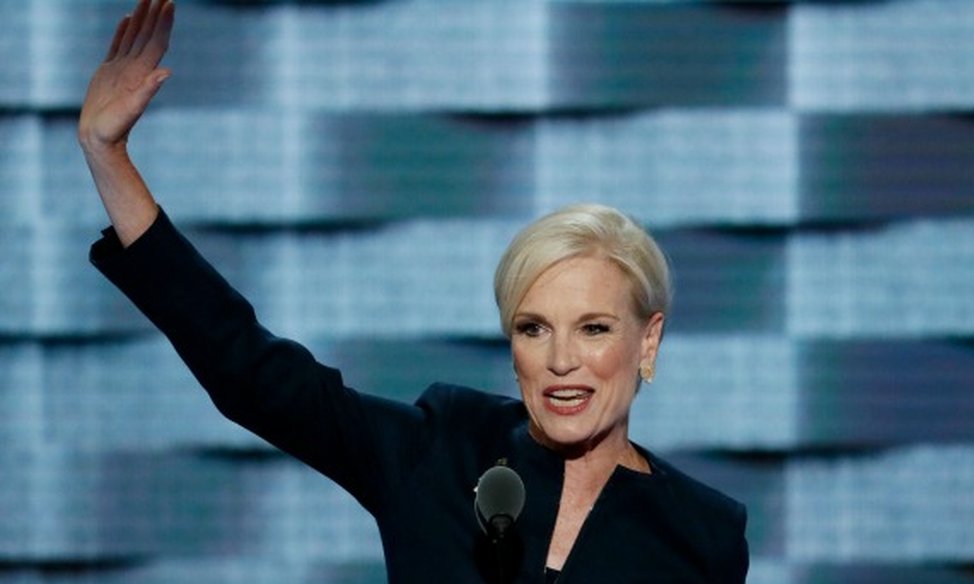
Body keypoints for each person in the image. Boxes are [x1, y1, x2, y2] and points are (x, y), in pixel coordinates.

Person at [79, 1, 749, 582]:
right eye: (533, 327)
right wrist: (107, 156)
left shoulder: (703, 532)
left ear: (647, 340)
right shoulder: (445, 451)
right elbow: (252, 371)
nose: (561, 360)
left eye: (594, 328)